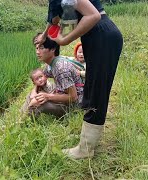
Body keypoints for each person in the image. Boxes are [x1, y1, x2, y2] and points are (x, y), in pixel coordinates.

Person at [38, 0, 123, 159]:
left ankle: (86, 149)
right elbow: (54, 20)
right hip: (96, 37)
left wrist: (65, 40)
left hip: (101, 36)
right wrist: (44, 35)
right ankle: (86, 140)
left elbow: (93, 16)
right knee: (92, 88)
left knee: (97, 92)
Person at [28, 37, 83, 118]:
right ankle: (23, 115)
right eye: (36, 48)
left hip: (74, 105)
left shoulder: (61, 68)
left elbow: (73, 97)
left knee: (37, 102)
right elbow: (42, 77)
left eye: (41, 48)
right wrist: (35, 89)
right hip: (61, 91)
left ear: (53, 49)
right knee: (34, 94)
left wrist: (48, 97)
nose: (37, 52)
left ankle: (23, 123)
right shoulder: (50, 64)